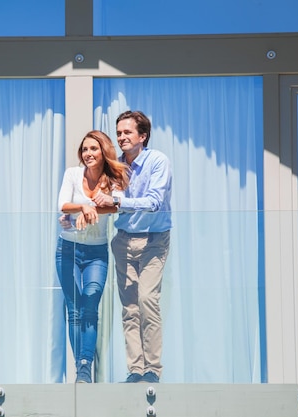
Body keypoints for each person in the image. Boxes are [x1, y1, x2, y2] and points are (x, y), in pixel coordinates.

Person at [92, 110, 172, 384]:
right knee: (129, 309)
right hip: (124, 240)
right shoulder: (116, 166)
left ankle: (153, 370)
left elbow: (154, 202)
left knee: (147, 300)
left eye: (127, 132)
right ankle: (135, 371)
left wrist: (117, 201)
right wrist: (76, 211)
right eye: (119, 133)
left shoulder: (158, 161)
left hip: (154, 238)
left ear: (143, 136)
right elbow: (102, 201)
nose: (122, 137)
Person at [55, 130, 129, 383]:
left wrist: (92, 207)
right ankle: (83, 369)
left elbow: (117, 205)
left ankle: (85, 364)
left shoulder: (113, 179)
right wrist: (84, 206)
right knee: (74, 309)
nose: (88, 154)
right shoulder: (73, 174)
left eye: (93, 149)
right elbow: (62, 205)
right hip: (67, 250)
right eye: (85, 149)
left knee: (90, 303)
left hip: (97, 252)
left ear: (104, 151)